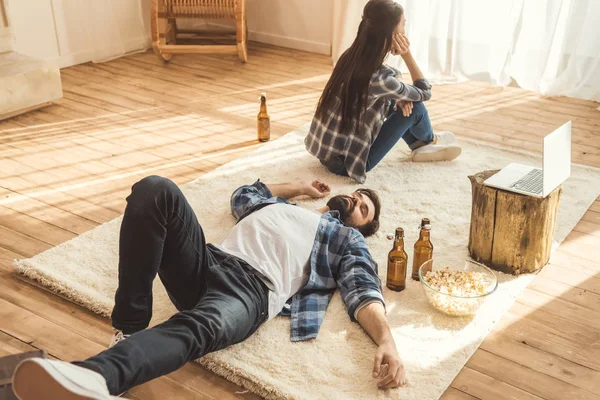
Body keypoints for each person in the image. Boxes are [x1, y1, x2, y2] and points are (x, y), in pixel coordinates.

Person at [12, 175, 407, 399]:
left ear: (362, 226)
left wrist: (387, 340)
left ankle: (98, 377)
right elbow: (244, 194)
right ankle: (128, 330)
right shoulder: (283, 207)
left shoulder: (344, 238)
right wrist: (300, 187)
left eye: (363, 206)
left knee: (196, 328)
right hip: (208, 261)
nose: (355, 200)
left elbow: (362, 289)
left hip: (250, 290)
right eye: (356, 194)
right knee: (155, 189)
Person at [306, 0, 462, 184]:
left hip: (326, 154)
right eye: (404, 23)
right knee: (417, 107)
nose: (405, 28)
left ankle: (421, 144)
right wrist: (406, 54)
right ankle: (429, 141)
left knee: (400, 101)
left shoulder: (350, 56)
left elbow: (379, 91)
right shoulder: (379, 79)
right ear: (392, 33)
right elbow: (425, 91)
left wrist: (397, 98)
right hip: (349, 164)